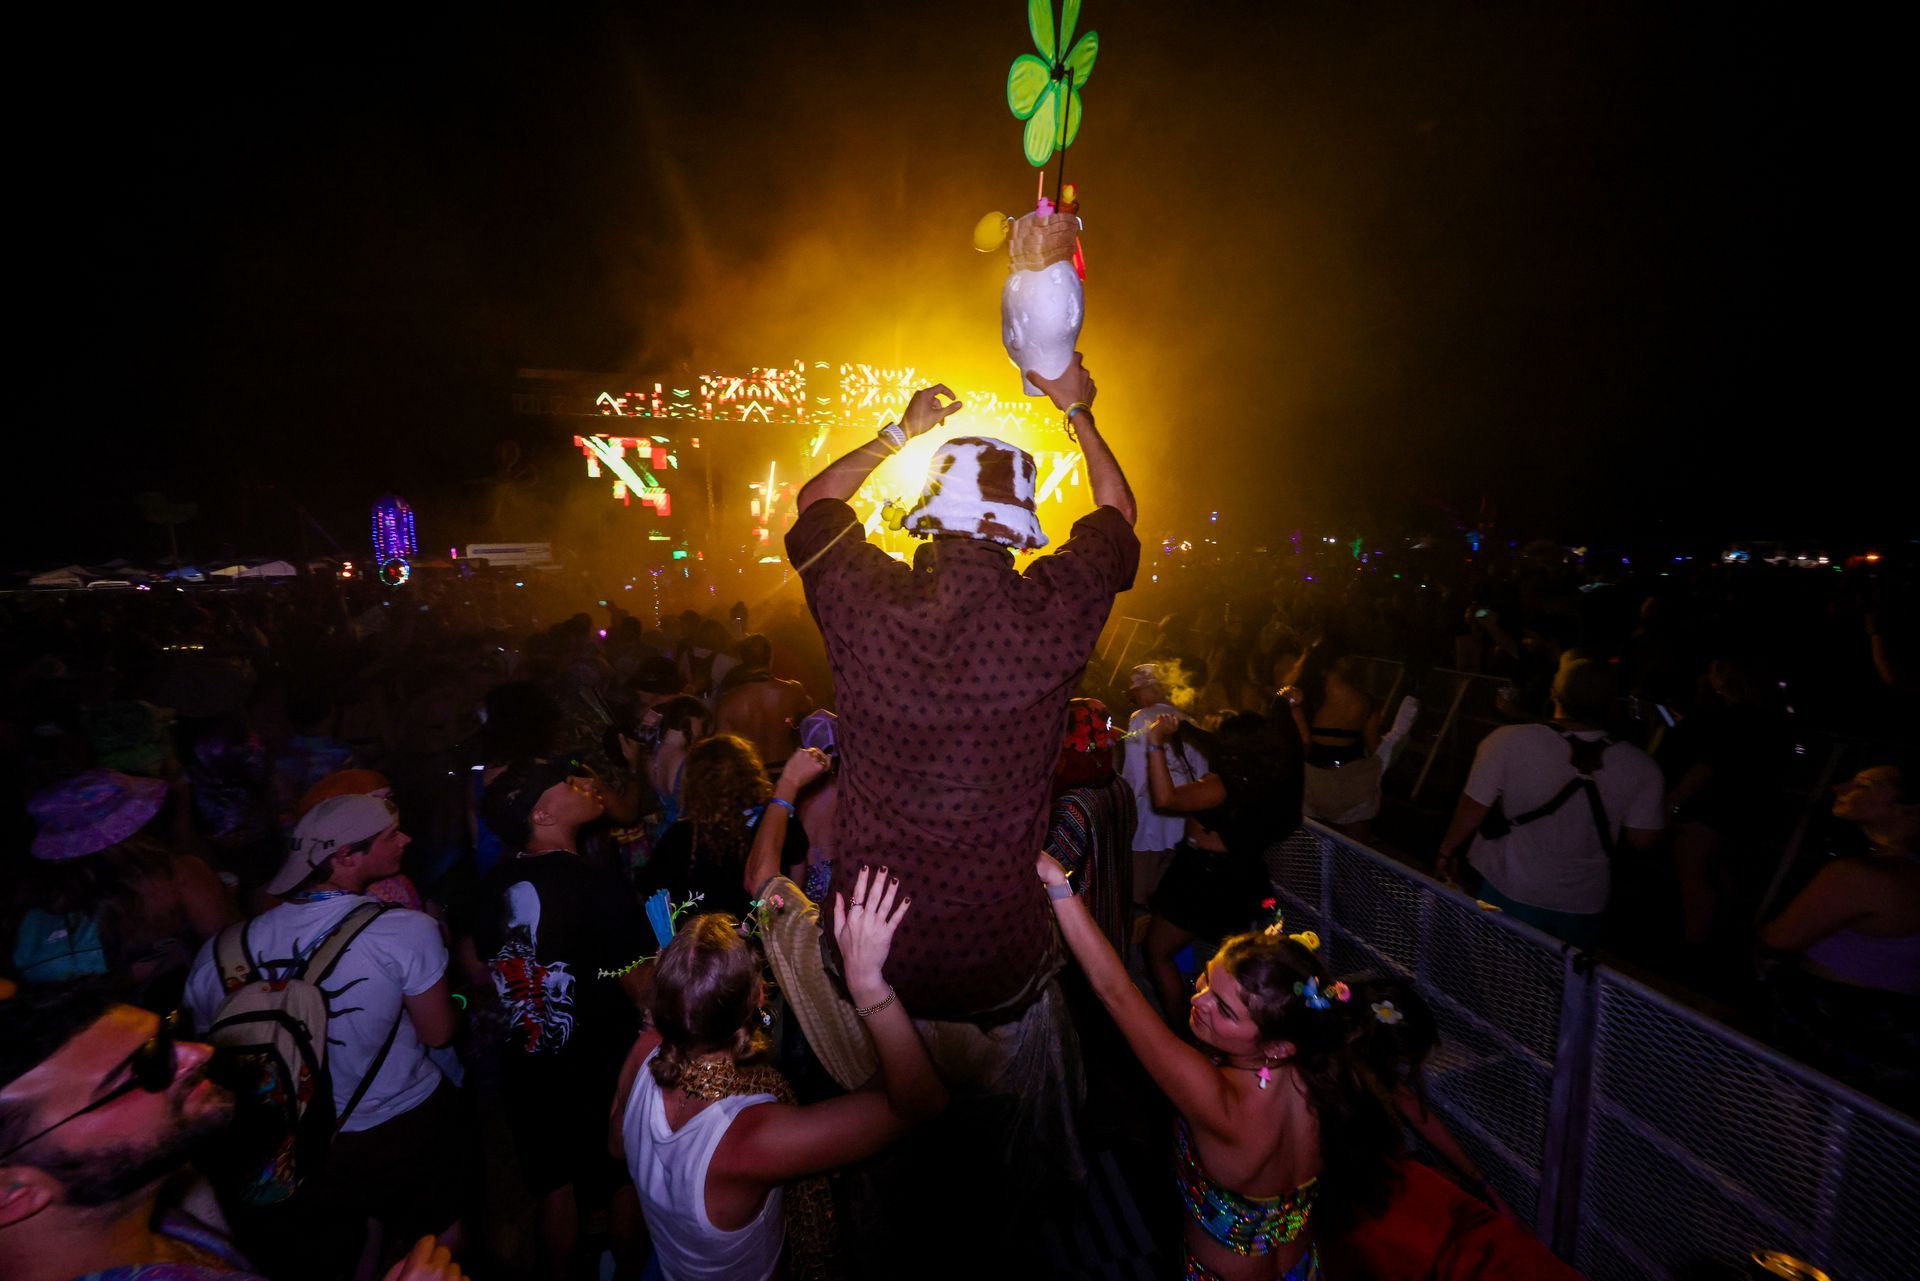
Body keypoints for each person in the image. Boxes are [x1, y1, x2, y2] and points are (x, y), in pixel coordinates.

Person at [783, 354, 1138, 1020]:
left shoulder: (866, 599)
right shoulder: (1051, 611)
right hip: (994, 962)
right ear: (1018, 531)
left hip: (870, 954)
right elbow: (1118, 510)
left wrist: (899, 434)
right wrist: (1076, 408)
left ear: (928, 517)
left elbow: (815, 504)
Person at [1038, 855, 1401, 1281]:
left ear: (1278, 1045)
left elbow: (1115, 991)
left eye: (1224, 1009)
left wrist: (1056, 882)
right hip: (1304, 1268)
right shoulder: (1323, 1070)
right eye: (1207, 980)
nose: (1198, 1000)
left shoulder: (1220, 1100)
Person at [0, 984, 472, 1281]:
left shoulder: (141, 1208)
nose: (200, 1052)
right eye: (147, 1066)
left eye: (169, 1031)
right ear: (13, 1193)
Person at [614, 867, 947, 1281]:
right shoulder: (751, 1138)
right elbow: (920, 1103)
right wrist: (868, 986)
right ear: (758, 999)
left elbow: (616, 1145)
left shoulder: (644, 1052)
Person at [182, 794, 463, 1281]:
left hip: (293, 1140)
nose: (406, 839)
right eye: (389, 835)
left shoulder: (219, 949)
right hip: (399, 1121)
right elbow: (438, 1034)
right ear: (345, 856)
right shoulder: (404, 931)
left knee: (349, 1245)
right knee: (439, 1231)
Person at [466, 758, 650, 1281]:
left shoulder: (493, 884)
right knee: (621, 1179)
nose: (586, 785)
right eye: (568, 784)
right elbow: (642, 986)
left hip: (527, 1062)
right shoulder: (599, 885)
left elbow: (477, 964)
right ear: (541, 815)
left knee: (554, 1187)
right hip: (604, 1061)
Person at [1435, 658, 1664, 948]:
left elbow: (1473, 808)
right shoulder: (1641, 766)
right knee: (1564, 984)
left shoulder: (1507, 741)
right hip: (1583, 901)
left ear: (1554, 694)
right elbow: (1643, 839)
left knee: (1494, 966)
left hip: (1507, 886)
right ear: (1611, 703)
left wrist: (1446, 851)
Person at [1759, 762, 1920, 1112]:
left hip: (1826, 1038)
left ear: (1908, 809)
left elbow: (1778, 938)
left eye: (1865, 784)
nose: (1840, 788)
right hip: (1893, 1044)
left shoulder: (1858, 876)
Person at [9, 771, 235, 1009]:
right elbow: (233, 957)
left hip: (77, 1035)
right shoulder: (176, 877)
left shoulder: (25, 903)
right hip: (177, 1027)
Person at [1142, 711, 1305, 1025]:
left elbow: (1165, 798)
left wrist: (1154, 743)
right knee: (1222, 959)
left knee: (1157, 952)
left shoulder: (1220, 786)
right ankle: (1219, 1019)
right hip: (1240, 877)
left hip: (1202, 879)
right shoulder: (1266, 777)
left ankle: (1182, 1030)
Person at [1345, 975, 1508, 1215]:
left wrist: (1483, 1184)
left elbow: (1410, 1105)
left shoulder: (1363, 1064)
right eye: (1401, 1061)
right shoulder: (1333, 1082)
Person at [638, 735, 809, 922]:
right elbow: (796, 878)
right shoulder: (776, 819)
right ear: (750, 773)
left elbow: (652, 894)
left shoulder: (682, 835)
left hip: (706, 943)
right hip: (761, 936)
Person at [1043, 698, 1136, 956]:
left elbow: (1050, 873)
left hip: (1082, 938)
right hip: (1114, 920)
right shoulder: (1119, 785)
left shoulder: (1072, 804)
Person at [1122, 662, 1207, 910]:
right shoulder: (1191, 720)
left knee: (1139, 898)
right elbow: (1200, 775)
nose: (1136, 700)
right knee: (1168, 902)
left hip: (1149, 823)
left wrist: (1125, 814)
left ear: (1150, 691)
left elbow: (1135, 775)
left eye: (1137, 694)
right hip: (1183, 826)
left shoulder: (1141, 718)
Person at [1282, 651, 1385, 842]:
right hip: (1352, 784)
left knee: (1311, 850)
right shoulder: (1365, 702)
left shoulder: (1301, 698)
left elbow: (1301, 742)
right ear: (1342, 662)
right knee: (1354, 854)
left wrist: (1284, 693)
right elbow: (1374, 750)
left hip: (1312, 782)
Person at [713, 635, 814, 779]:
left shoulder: (728, 701)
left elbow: (723, 748)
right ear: (771, 657)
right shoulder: (793, 691)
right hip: (787, 771)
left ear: (743, 660)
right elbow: (810, 722)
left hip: (752, 774)